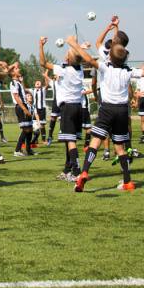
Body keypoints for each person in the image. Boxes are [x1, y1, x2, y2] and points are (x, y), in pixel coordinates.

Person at [67, 38, 140, 192]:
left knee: (95, 142)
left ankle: (84, 172)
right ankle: (127, 181)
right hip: (121, 110)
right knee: (120, 148)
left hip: (106, 109)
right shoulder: (129, 70)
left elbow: (87, 58)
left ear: (109, 57)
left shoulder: (105, 67)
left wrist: (73, 44)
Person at [38, 36, 85, 180]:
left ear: (70, 59)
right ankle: (67, 169)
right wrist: (78, 45)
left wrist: (41, 45)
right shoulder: (80, 69)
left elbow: (43, 63)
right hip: (78, 107)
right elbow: (79, 57)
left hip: (68, 108)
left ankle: (77, 172)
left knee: (70, 141)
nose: (65, 54)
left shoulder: (64, 70)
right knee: (69, 139)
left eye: (68, 54)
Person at [9, 63, 35, 157]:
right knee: (25, 129)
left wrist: (22, 81)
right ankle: (17, 150)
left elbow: (23, 92)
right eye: (16, 68)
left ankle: (28, 149)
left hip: (24, 106)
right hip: (20, 107)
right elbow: (16, 97)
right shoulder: (13, 83)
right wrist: (24, 109)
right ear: (13, 73)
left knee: (30, 129)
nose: (19, 69)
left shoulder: (18, 82)